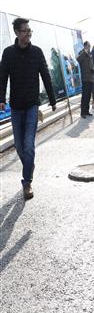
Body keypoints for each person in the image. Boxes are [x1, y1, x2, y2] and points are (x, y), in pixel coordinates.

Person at [0, 17, 57, 199]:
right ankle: (29, 164)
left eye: (29, 30)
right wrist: (1, 99)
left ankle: (27, 183)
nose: (29, 33)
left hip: (32, 105)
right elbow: (2, 77)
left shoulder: (37, 52)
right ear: (17, 33)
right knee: (19, 145)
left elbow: (46, 76)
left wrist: (53, 100)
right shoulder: (8, 53)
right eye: (25, 30)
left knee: (28, 145)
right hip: (16, 106)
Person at [77, 41, 94, 118]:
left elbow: (92, 64)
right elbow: (78, 59)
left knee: (88, 96)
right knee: (84, 96)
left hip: (90, 78)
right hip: (85, 78)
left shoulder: (90, 54)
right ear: (85, 46)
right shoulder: (82, 53)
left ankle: (87, 111)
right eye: (88, 46)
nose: (89, 47)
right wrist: (84, 52)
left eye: (90, 46)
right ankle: (82, 112)